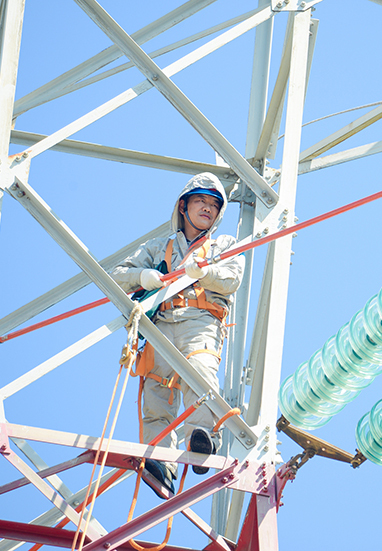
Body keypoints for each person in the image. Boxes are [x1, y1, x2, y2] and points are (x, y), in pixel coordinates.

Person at [111, 172, 244, 496]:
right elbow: (117, 276)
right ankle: (159, 462)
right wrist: (143, 276)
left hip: (199, 320)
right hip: (161, 324)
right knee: (156, 393)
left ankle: (202, 438)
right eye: (201, 201)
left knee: (199, 373)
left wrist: (205, 272)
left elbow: (231, 279)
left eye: (214, 205)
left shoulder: (221, 245)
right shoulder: (160, 247)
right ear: (183, 206)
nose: (207, 209)